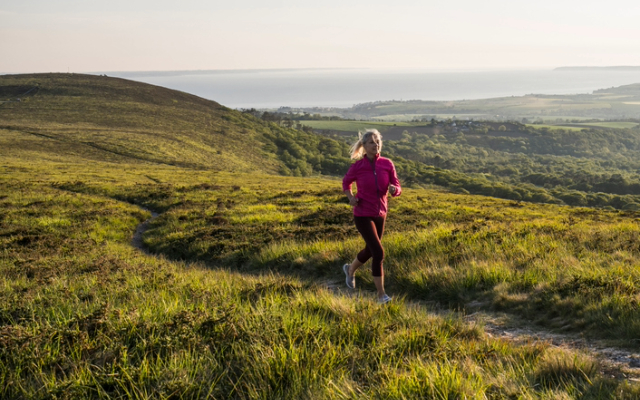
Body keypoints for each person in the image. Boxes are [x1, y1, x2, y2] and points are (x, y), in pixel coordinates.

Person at [342, 129, 402, 304]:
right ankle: (381, 295)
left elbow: (397, 185)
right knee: (378, 252)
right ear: (364, 146)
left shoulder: (387, 164)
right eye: (371, 143)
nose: (375, 145)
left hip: (380, 213)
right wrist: (351, 198)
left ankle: (350, 270)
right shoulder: (357, 167)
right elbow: (346, 183)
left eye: (377, 142)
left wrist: (394, 190)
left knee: (370, 250)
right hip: (362, 214)